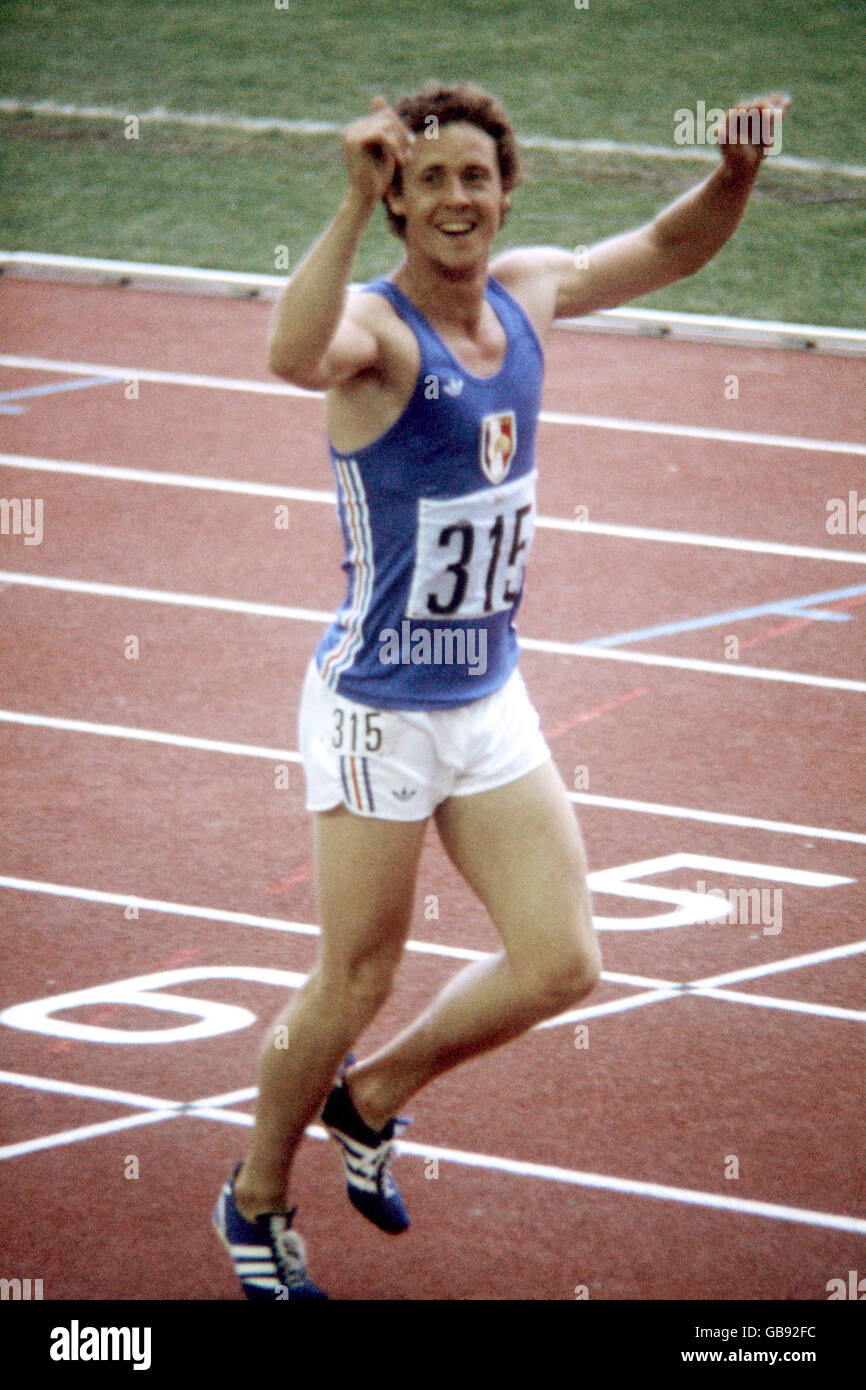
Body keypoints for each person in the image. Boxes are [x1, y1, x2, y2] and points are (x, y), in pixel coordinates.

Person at [213, 81, 787, 1299]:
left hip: (485, 698)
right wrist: (345, 203)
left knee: (562, 960)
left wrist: (733, 175)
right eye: (427, 180)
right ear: (398, 201)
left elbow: (668, 247)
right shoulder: (375, 333)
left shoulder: (527, 291)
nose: (455, 198)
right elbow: (289, 354)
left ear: (506, 191)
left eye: (474, 176)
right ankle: (254, 1194)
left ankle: (372, 1095)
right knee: (353, 977)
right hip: (377, 711)